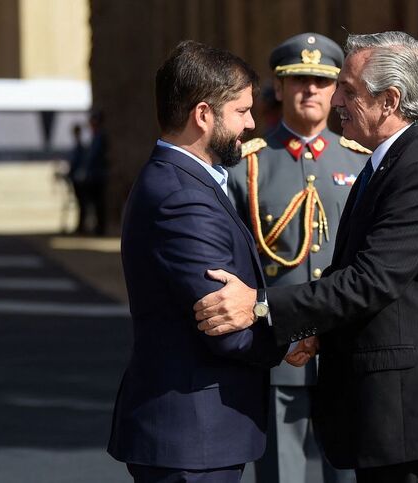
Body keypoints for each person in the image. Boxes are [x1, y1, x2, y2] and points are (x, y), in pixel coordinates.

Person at [194, 31, 418, 482]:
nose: (336, 100)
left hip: (411, 416)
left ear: (389, 101)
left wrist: (261, 306)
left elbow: (369, 281)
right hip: (382, 407)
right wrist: (316, 330)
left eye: (347, 89)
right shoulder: (389, 161)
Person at [107, 40, 287, 483]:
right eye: (242, 111)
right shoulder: (181, 197)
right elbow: (224, 325)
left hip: (195, 432)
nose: (251, 123)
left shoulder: (184, 182)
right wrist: (287, 332)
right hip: (193, 434)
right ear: (203, 114)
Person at [227, 33, 366, 483]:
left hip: (345, 347)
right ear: (279, 87)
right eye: (298, 80)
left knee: (346, 472)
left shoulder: (360, 163)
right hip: (278, 347)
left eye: (321, 82)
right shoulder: (249, 166)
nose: (310, 90)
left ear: (336, 90)